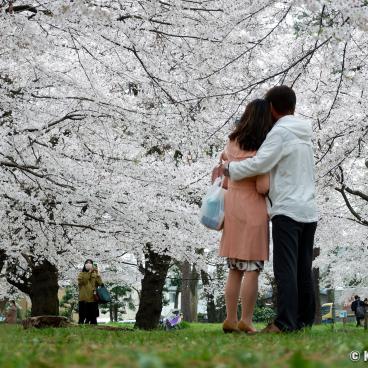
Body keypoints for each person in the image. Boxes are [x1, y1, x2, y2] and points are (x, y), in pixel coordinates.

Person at [220, 85, 318, 333]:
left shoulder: (278, 133)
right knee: (302, 268)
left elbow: (261, 164)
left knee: (285, 268)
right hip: (308, 208)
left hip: (286, 208)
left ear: (273, 108)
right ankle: (303, 319)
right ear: (292, 106)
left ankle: (284, 323)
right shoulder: (304, 133)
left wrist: (231, 170)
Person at [219, 99, 273, 334]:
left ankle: (230, 318)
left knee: (234, 267)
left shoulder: (232, 141)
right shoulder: (263, 145)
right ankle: (246, 320)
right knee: (252, 267)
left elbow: (224, 175)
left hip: (232, 204)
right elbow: (262, 186)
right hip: (253, 206)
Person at [78, 259, 103, 325]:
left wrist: (98, 274)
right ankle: (80, 328)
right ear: (84, 265)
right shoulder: (81, 274)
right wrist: (89, 272)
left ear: (92, 265)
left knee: (93, 318)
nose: (88, 264)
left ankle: (93, 330)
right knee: (82, 316)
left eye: (90, 263)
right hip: (83, 298)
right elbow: (83, 281)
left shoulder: (95, 274)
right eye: (87, 263)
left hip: (93, 298)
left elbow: (100, 284)